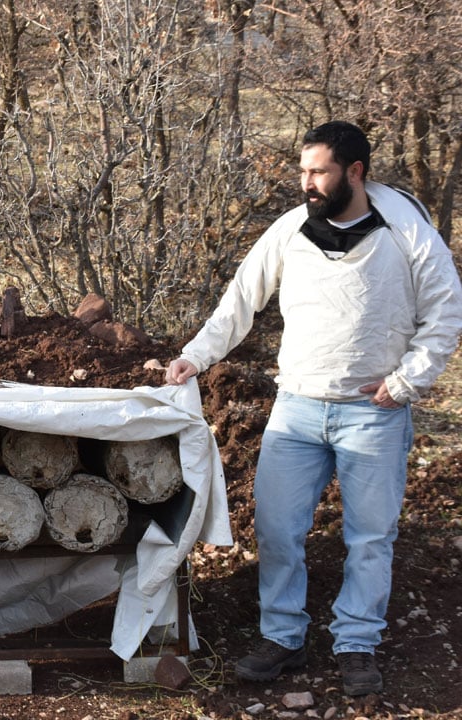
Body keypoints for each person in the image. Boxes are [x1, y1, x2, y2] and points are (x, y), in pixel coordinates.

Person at [165, 121, 462, 696]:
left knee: (370, 537)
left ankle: (357, 643)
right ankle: (282, 637)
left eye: (318, 171)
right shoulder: (291, 229)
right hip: (297, 407)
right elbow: (240, 301)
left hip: (372, 411)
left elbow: (445, 315)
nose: (307, 182)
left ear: (355, 172)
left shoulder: (408, 229)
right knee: (277, 531)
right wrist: (195, 356)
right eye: (303, 170)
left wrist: (406, 384)